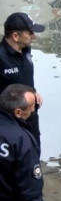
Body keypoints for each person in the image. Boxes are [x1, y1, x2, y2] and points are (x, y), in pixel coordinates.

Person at [0, 12, 46, 147]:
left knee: (35, 146)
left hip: (30, 113)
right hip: (10, 121)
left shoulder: (26, 49)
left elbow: (23, 75)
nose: (34, 36)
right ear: (15, 36)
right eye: (30, 33)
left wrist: (32, 91)